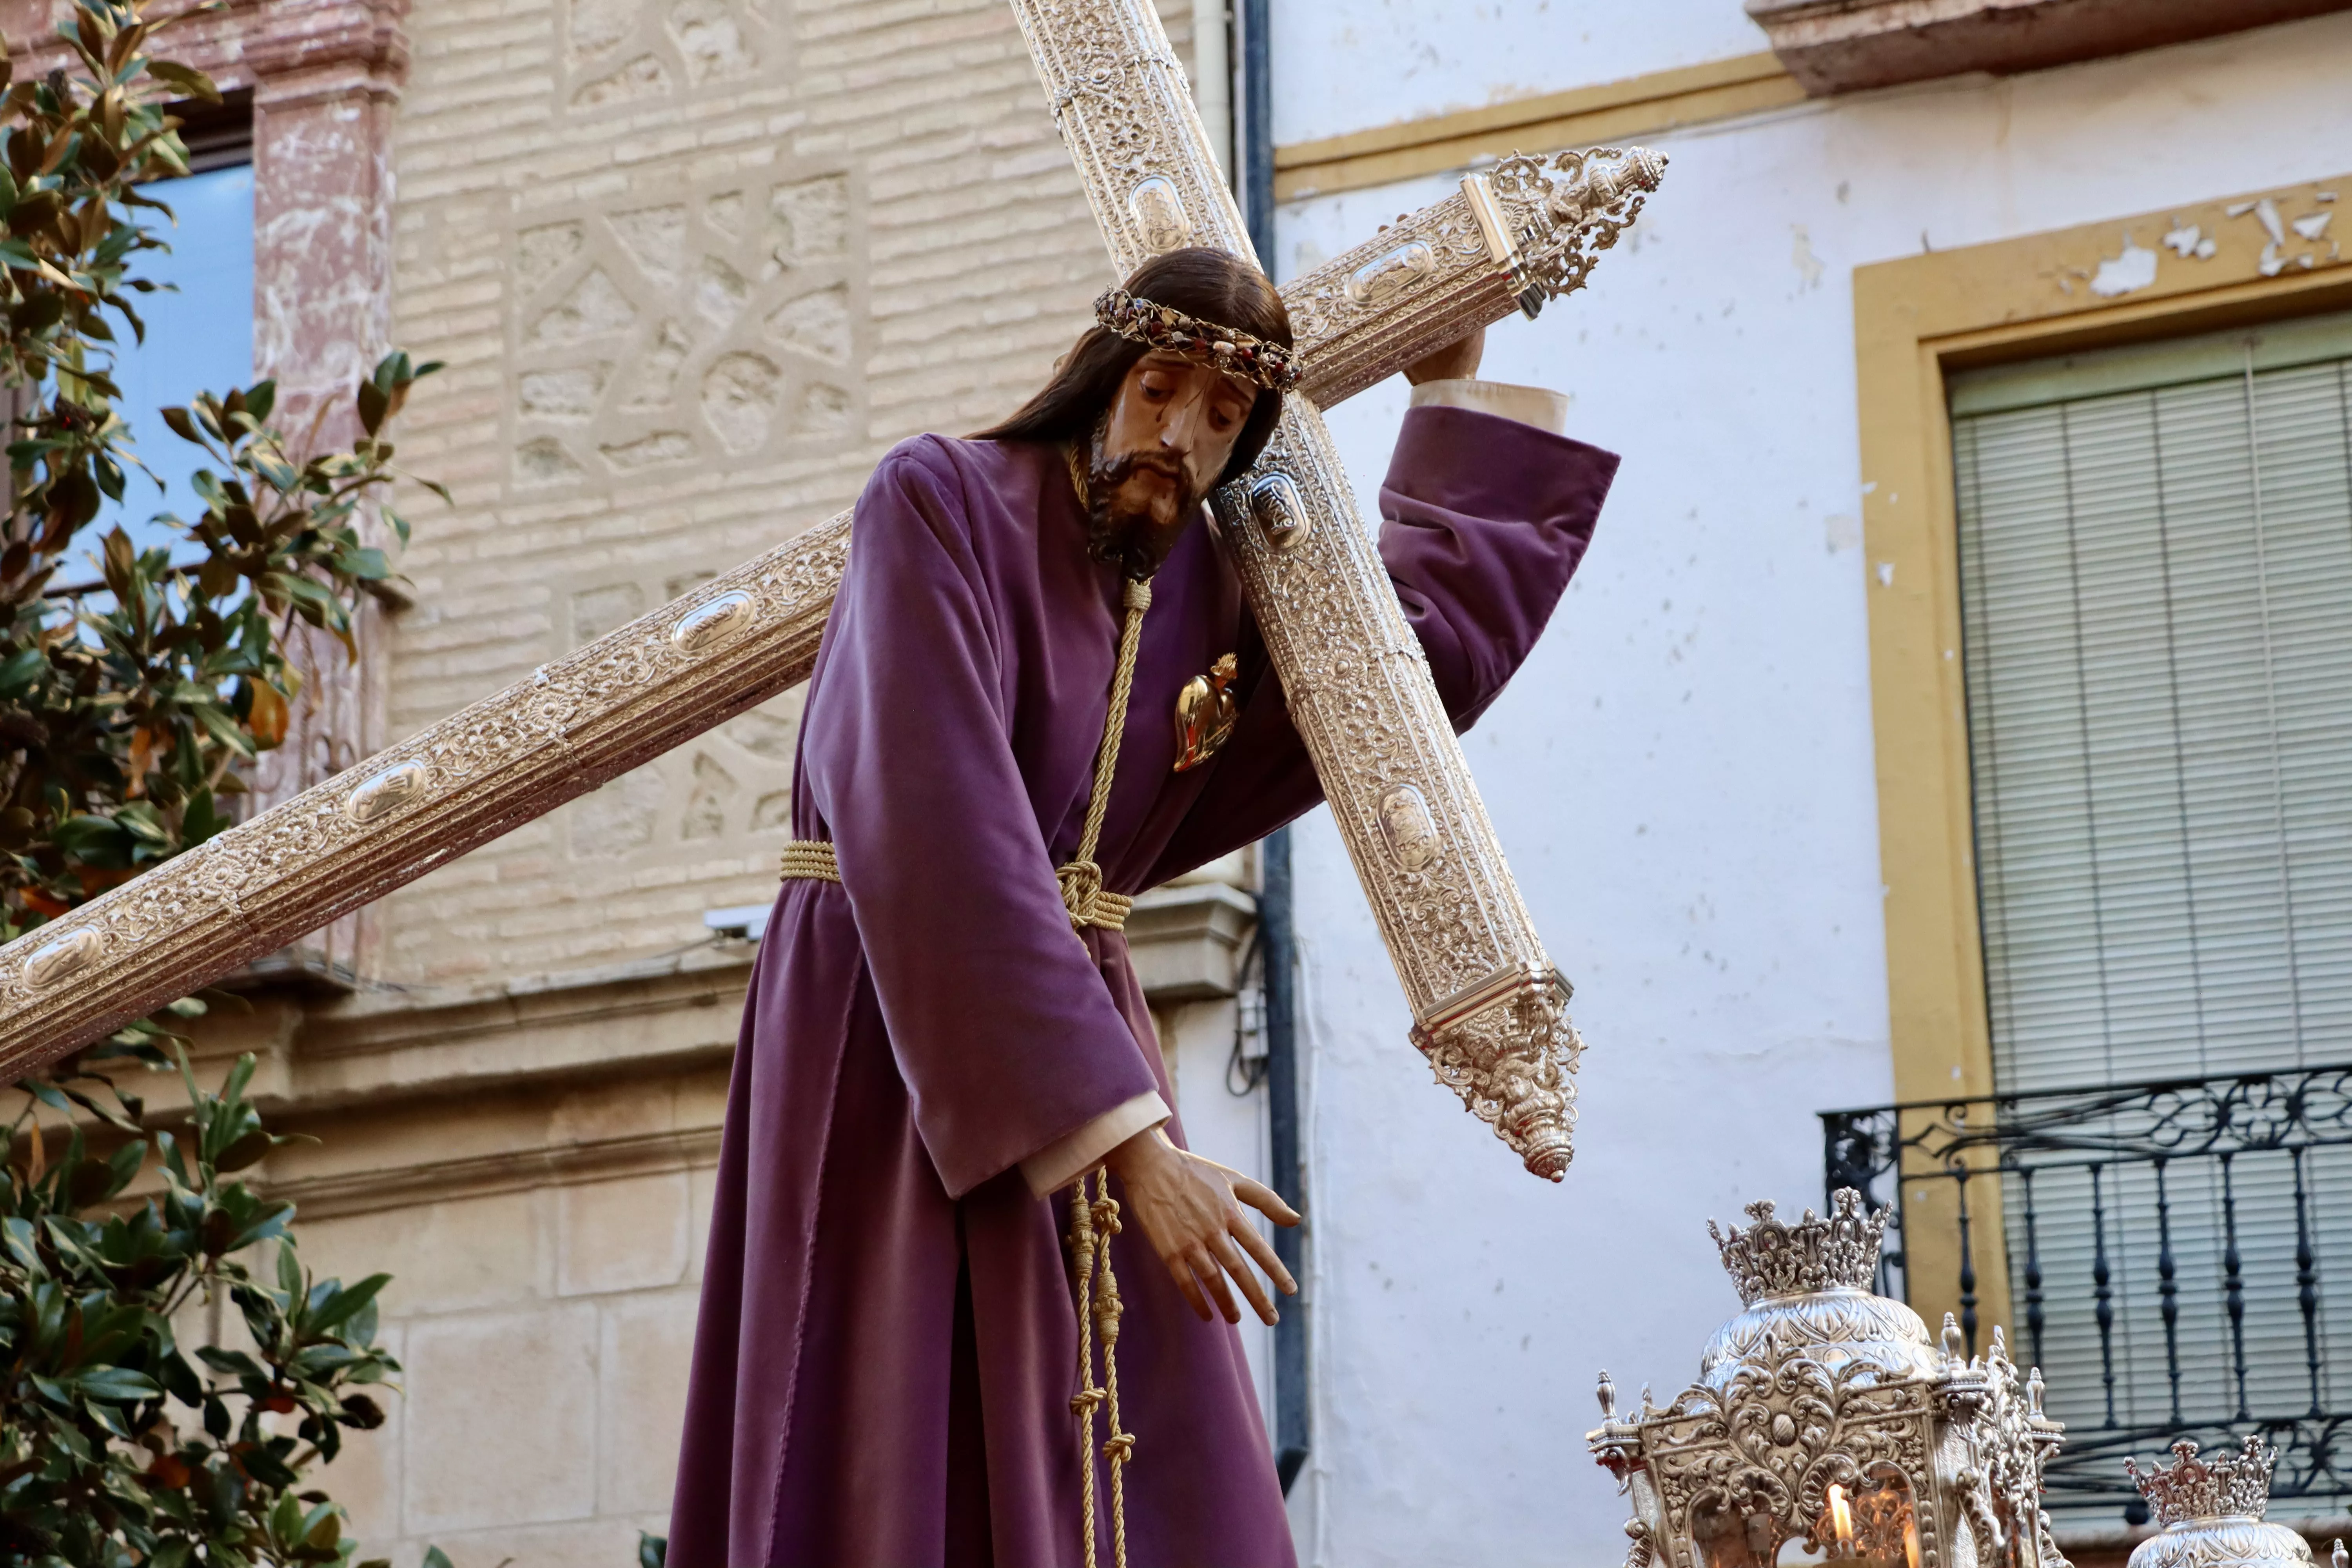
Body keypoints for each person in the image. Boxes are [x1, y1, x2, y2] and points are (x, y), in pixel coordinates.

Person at [667, 245, 1619, 1567]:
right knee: (895, 1435)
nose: (1180, 437)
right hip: (895, 1023)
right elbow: (937, 821)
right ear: (1105, 375)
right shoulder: (943, 502)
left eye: (1224, 420)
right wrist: (1129, 1146)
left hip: (1078, 1038)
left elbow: (1394, 700)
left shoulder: (1208, 592)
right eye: (1162, 390)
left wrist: (1446, 396)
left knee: (1162, 1465)